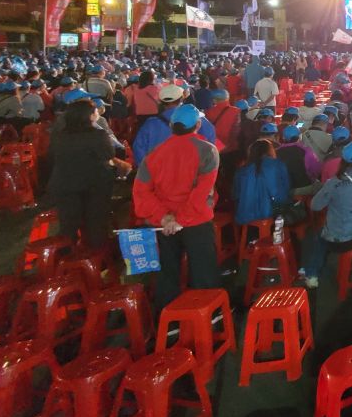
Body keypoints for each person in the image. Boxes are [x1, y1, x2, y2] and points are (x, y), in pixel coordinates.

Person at [131, 104, 221, 310]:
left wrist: (165, 218)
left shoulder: (153, 154)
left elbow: (141, 192)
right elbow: (202, 193)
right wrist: (180, 219)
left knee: (167, 275)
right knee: (204, 274)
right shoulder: (208, 150)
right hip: (196, 222)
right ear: (198, 125)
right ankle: (207, 318)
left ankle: (168, 320)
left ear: (172, 126)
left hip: (165, 226)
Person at [46, 96, 131, 250]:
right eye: (95, 111)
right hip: (94, 184)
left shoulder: (59, 135)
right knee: (95, 222)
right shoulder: (97, 134)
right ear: (90, 116)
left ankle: (67, 255)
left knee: (68, 224)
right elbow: (108, 154)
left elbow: (51, 156)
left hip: (63, 184)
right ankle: (97, 254)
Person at [296, 142, 352, 288]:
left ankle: (312, 275)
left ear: (343, 160)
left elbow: (315, 205)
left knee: (318, 236)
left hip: (342, 239)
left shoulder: (334, 183)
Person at [232, 138, 292, 225]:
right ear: (270, 151)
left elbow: (235, 196)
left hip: (244, 218)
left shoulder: (241, 171)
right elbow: (284, 191)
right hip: (271, 216)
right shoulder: (277, 164)